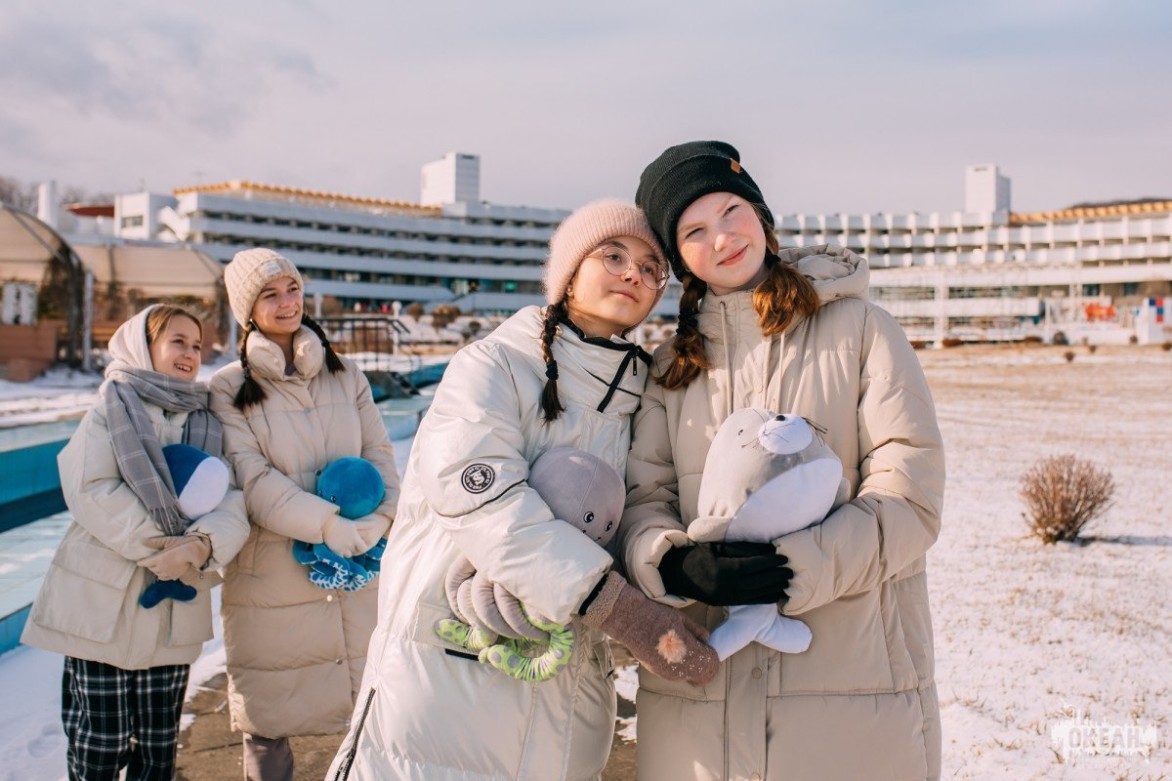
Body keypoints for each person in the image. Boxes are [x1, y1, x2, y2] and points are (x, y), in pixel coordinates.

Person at [326, 199, 720, 781]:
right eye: (613, 255)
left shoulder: (645, 398)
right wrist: (619, 609)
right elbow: (480, 495)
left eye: (651, 268)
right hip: (450, 680)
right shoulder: (494, 366)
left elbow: (642, 508)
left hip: (567, 700)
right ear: (567, 272)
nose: (633, 273)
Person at [620, 141, 946, 780]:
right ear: (679, 257)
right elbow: (641, 502)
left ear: (762, 217)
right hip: (698, 709)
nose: (721, 238)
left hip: (850, 689)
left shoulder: (862, 330)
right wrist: (674, 563)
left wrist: (796, 568)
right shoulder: (667, 370)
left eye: (731, 211)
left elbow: (911, 493)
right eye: (694, 230)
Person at [22, 304, 250, 781]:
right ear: (144, 347)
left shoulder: (207, 419)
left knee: (157, 746)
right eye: (177, 342)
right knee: (98, 745)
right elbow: (90, 488)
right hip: (101, 608)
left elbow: (231, 497)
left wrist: (200, 546)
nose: (190, 353)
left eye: (196, 344)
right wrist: (163, 546)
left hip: (173, 613)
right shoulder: (112, 408)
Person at [208, 248, 400, 781]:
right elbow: (252, 480)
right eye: (270, 294)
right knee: (269, 725)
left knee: (368, 714)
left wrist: (380, 521)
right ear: (247, 311)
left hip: (357, 567)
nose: (287, 302)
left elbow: (382, 456)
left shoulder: (346, 374)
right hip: (271, 578)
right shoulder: (227, 388)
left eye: (292, 288)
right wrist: (327, 526)